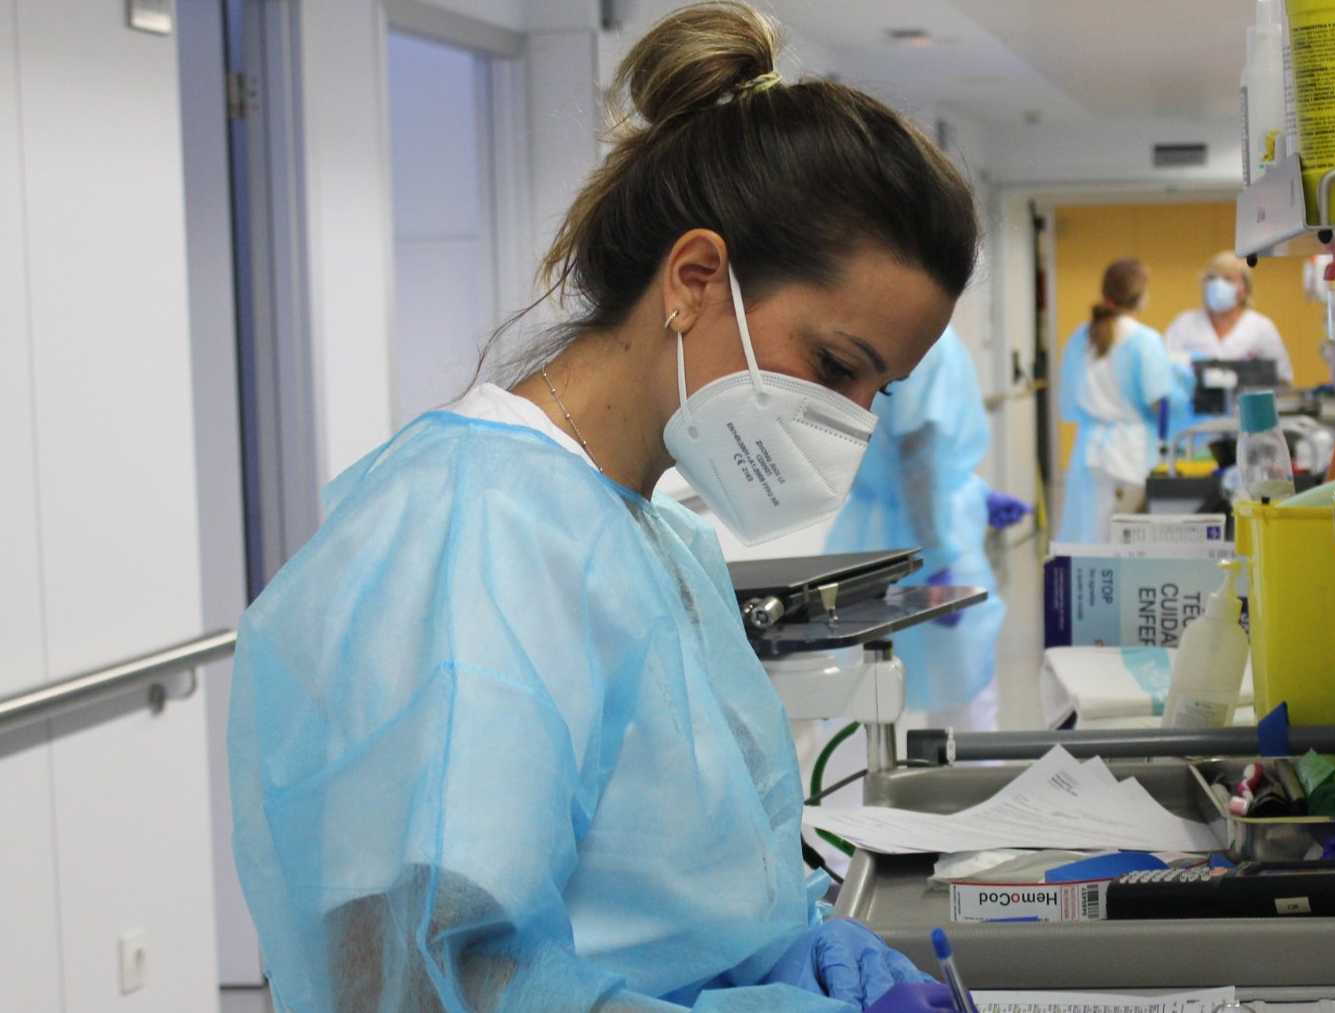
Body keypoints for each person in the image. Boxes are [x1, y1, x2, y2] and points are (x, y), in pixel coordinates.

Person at [227, 4, 975, 1011]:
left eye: (873, 392)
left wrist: (798, 944)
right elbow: (414, 973)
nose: (847, 421)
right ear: (696, 277)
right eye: (834, 365)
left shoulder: (652, 534)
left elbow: (676, 891)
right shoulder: (480, 529)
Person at [823, 329, 1008, 730]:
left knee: (868, 688)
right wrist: (937, 558)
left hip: (873, 536)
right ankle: (972, 787)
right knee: (962, 686)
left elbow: (915, 460)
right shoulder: (929, 345)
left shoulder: (878, 335)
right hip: (926, 538)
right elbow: (917, 463)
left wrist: (978, 495)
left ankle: (873, 789)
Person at [1056, 258, 1182, 543]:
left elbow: (1068, 401)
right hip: (1131, 455)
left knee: (1089, 539)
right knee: (1128, 543)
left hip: (1088, 454)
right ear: (1140, 295)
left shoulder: (1080, 337)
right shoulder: (1144, 340)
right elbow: (1158, 402)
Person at [1165, 250, 1294, 386]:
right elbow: (1164, 370)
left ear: (1245, 288)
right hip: (1193, 406)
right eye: (1212, 278)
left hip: (1245, 405)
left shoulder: (1261, 328)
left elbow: (1283, 378)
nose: (1218, 285)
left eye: (1228, 279)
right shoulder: (1184, 324)